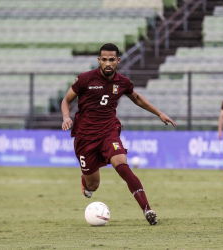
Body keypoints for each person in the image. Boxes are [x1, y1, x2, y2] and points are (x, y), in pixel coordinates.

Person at [61, 43, 176, 225]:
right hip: (85, 137)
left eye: (112, 60)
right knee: (93, 185)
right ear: (99, 60)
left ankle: (147, 209)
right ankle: (85, 180)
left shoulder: (122, 82)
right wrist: (66, 117)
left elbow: (137, 98)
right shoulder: (85, 79)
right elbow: (66, 100)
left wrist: (159, 113)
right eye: (104, 59)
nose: (108, 63)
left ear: (118, 61)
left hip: (109, 131)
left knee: (122, 164)